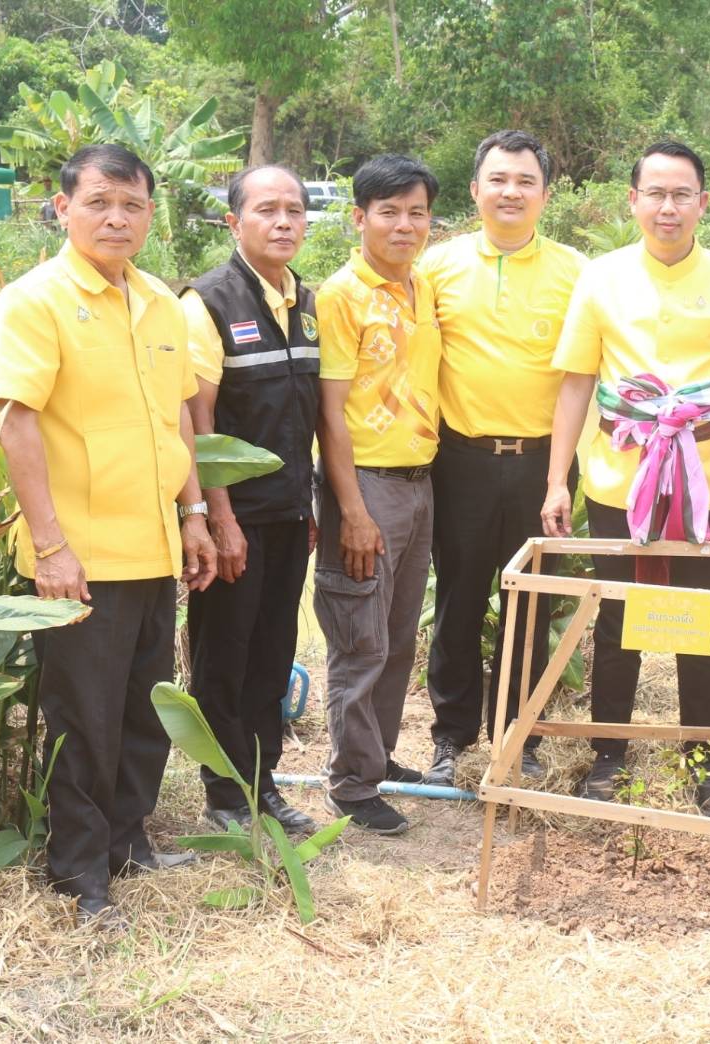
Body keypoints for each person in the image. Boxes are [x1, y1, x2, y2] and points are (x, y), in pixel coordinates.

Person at [0, 144, 217, 922]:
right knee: (83, 721)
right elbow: (17, 425)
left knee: (143, 711)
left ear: (152, 213)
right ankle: (79, 875)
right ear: (62, 208)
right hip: (78, 560)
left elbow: (178, 416)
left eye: (133, 205)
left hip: (153, 548)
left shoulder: (160, 302)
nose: (117, 218)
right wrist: (50, 546)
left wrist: (194, 514)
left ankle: (127, 844)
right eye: (99, 202)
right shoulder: (34, 301)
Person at [542, 140, 710, 819]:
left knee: (699, 621)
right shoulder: (601, 278)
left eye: (682, 195)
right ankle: (610, 751)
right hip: (621, 478)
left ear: (703, 202)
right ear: (633, 201)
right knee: (618, 616)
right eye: (656, 193)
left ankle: (703, 755)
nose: (668, 207)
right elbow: (577, 383)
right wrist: (559, 481)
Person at [420, 131, 586, 788]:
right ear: (475, 190)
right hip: (460, 459)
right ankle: (451, 736)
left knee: (532, 603)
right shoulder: (437, 267)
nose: (510, 191)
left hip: (543, 468)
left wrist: (557, 479)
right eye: (498, 179)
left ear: (545, 193)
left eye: (525, 180)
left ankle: (523, 736)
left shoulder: (577, 271)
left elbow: (584, 376)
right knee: (459, 599)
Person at [180, 165, 320, 837]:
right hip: (238, 522)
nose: (284, 221)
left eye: (294, 209)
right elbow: (198, 423)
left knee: (272, 653)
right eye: (267, 210)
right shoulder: (208, 302)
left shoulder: (307, 301)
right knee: (224, 658)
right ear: (235, 222)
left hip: (291, 515)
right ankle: (224, 794)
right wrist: (218, 519)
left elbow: (304, 413)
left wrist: (311, 500)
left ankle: (263, 784)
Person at [313, 154, 442, 835]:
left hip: (418, 482)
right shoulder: (340, 295)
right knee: (360, 636)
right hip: (364, 486)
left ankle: (380, 756)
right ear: (359, 217)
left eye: (416, 212)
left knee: (394, 635)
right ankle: (352, 782)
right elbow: (329, 412)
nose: (404, 225)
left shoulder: (422, 287)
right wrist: (352, 511)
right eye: (388, 212)